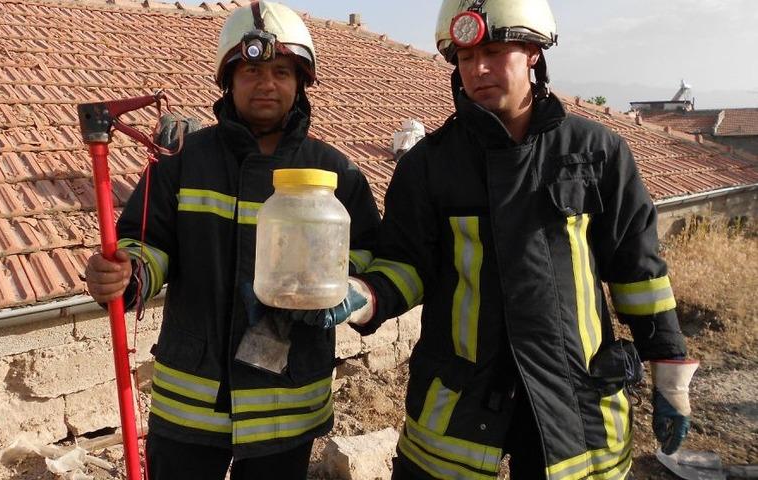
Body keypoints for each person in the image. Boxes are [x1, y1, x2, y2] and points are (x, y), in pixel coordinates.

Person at [343, 0, 699, 478]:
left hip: (574, 398)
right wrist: (364, 297)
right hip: (460, 400)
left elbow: (639, 272)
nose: (479, 69)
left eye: (494, 51)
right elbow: (406, 264)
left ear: (533, 52)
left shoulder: (595, 152)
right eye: (466, 58)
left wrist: (669, 366)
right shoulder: (428, 165)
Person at [83, 2, 380, 478]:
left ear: (301, 82)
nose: (266, 84)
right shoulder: (181, 161)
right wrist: (129, 272)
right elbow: (149, 241)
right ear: (228, 80)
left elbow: (367, 256)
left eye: (282, 71)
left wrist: (346, 290)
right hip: (191, 403)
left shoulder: (337, 174)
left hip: (287, 404)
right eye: (252, 71)